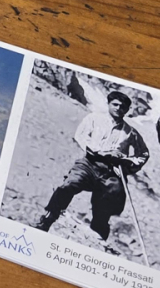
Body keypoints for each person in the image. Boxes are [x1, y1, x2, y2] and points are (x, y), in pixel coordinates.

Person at [35, 90, 148, 238]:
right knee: (69, 185)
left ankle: (98, 236)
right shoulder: (94, 119)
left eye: (122, 107)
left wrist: (128, 162)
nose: (118, 108)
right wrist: (101, 151)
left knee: (107, 203)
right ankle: (48, 218)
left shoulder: (130, 132)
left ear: (127, 110)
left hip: (111, 171)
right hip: (89, 163)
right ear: (108, 104)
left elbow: (143, 154)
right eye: (115, 104)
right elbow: (80, 135)